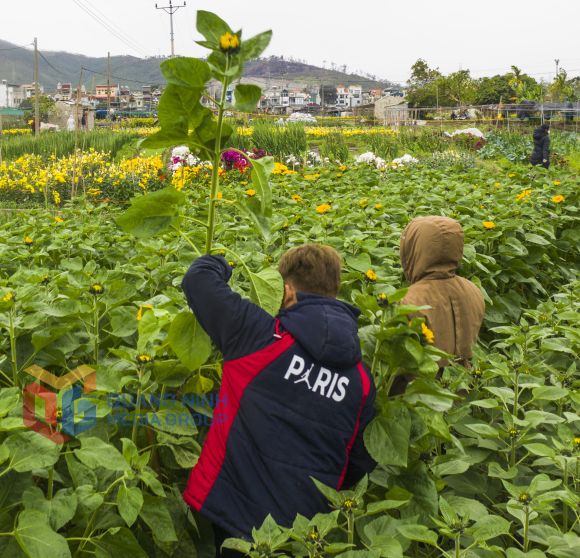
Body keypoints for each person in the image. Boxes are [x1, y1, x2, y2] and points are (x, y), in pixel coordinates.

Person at [181, 245, 376, 552]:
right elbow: (359, 461)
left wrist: (227, 262)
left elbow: (198, 277)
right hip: (307, 532)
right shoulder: (361, 379)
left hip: (235, 511)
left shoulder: (259, 336)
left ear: (285, 292)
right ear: (335, 291)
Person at [393, 217, 485, 393]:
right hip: (463, 388)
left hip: (420, 395)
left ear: (414, 249)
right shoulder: (473, 290)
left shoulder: (406, 301)